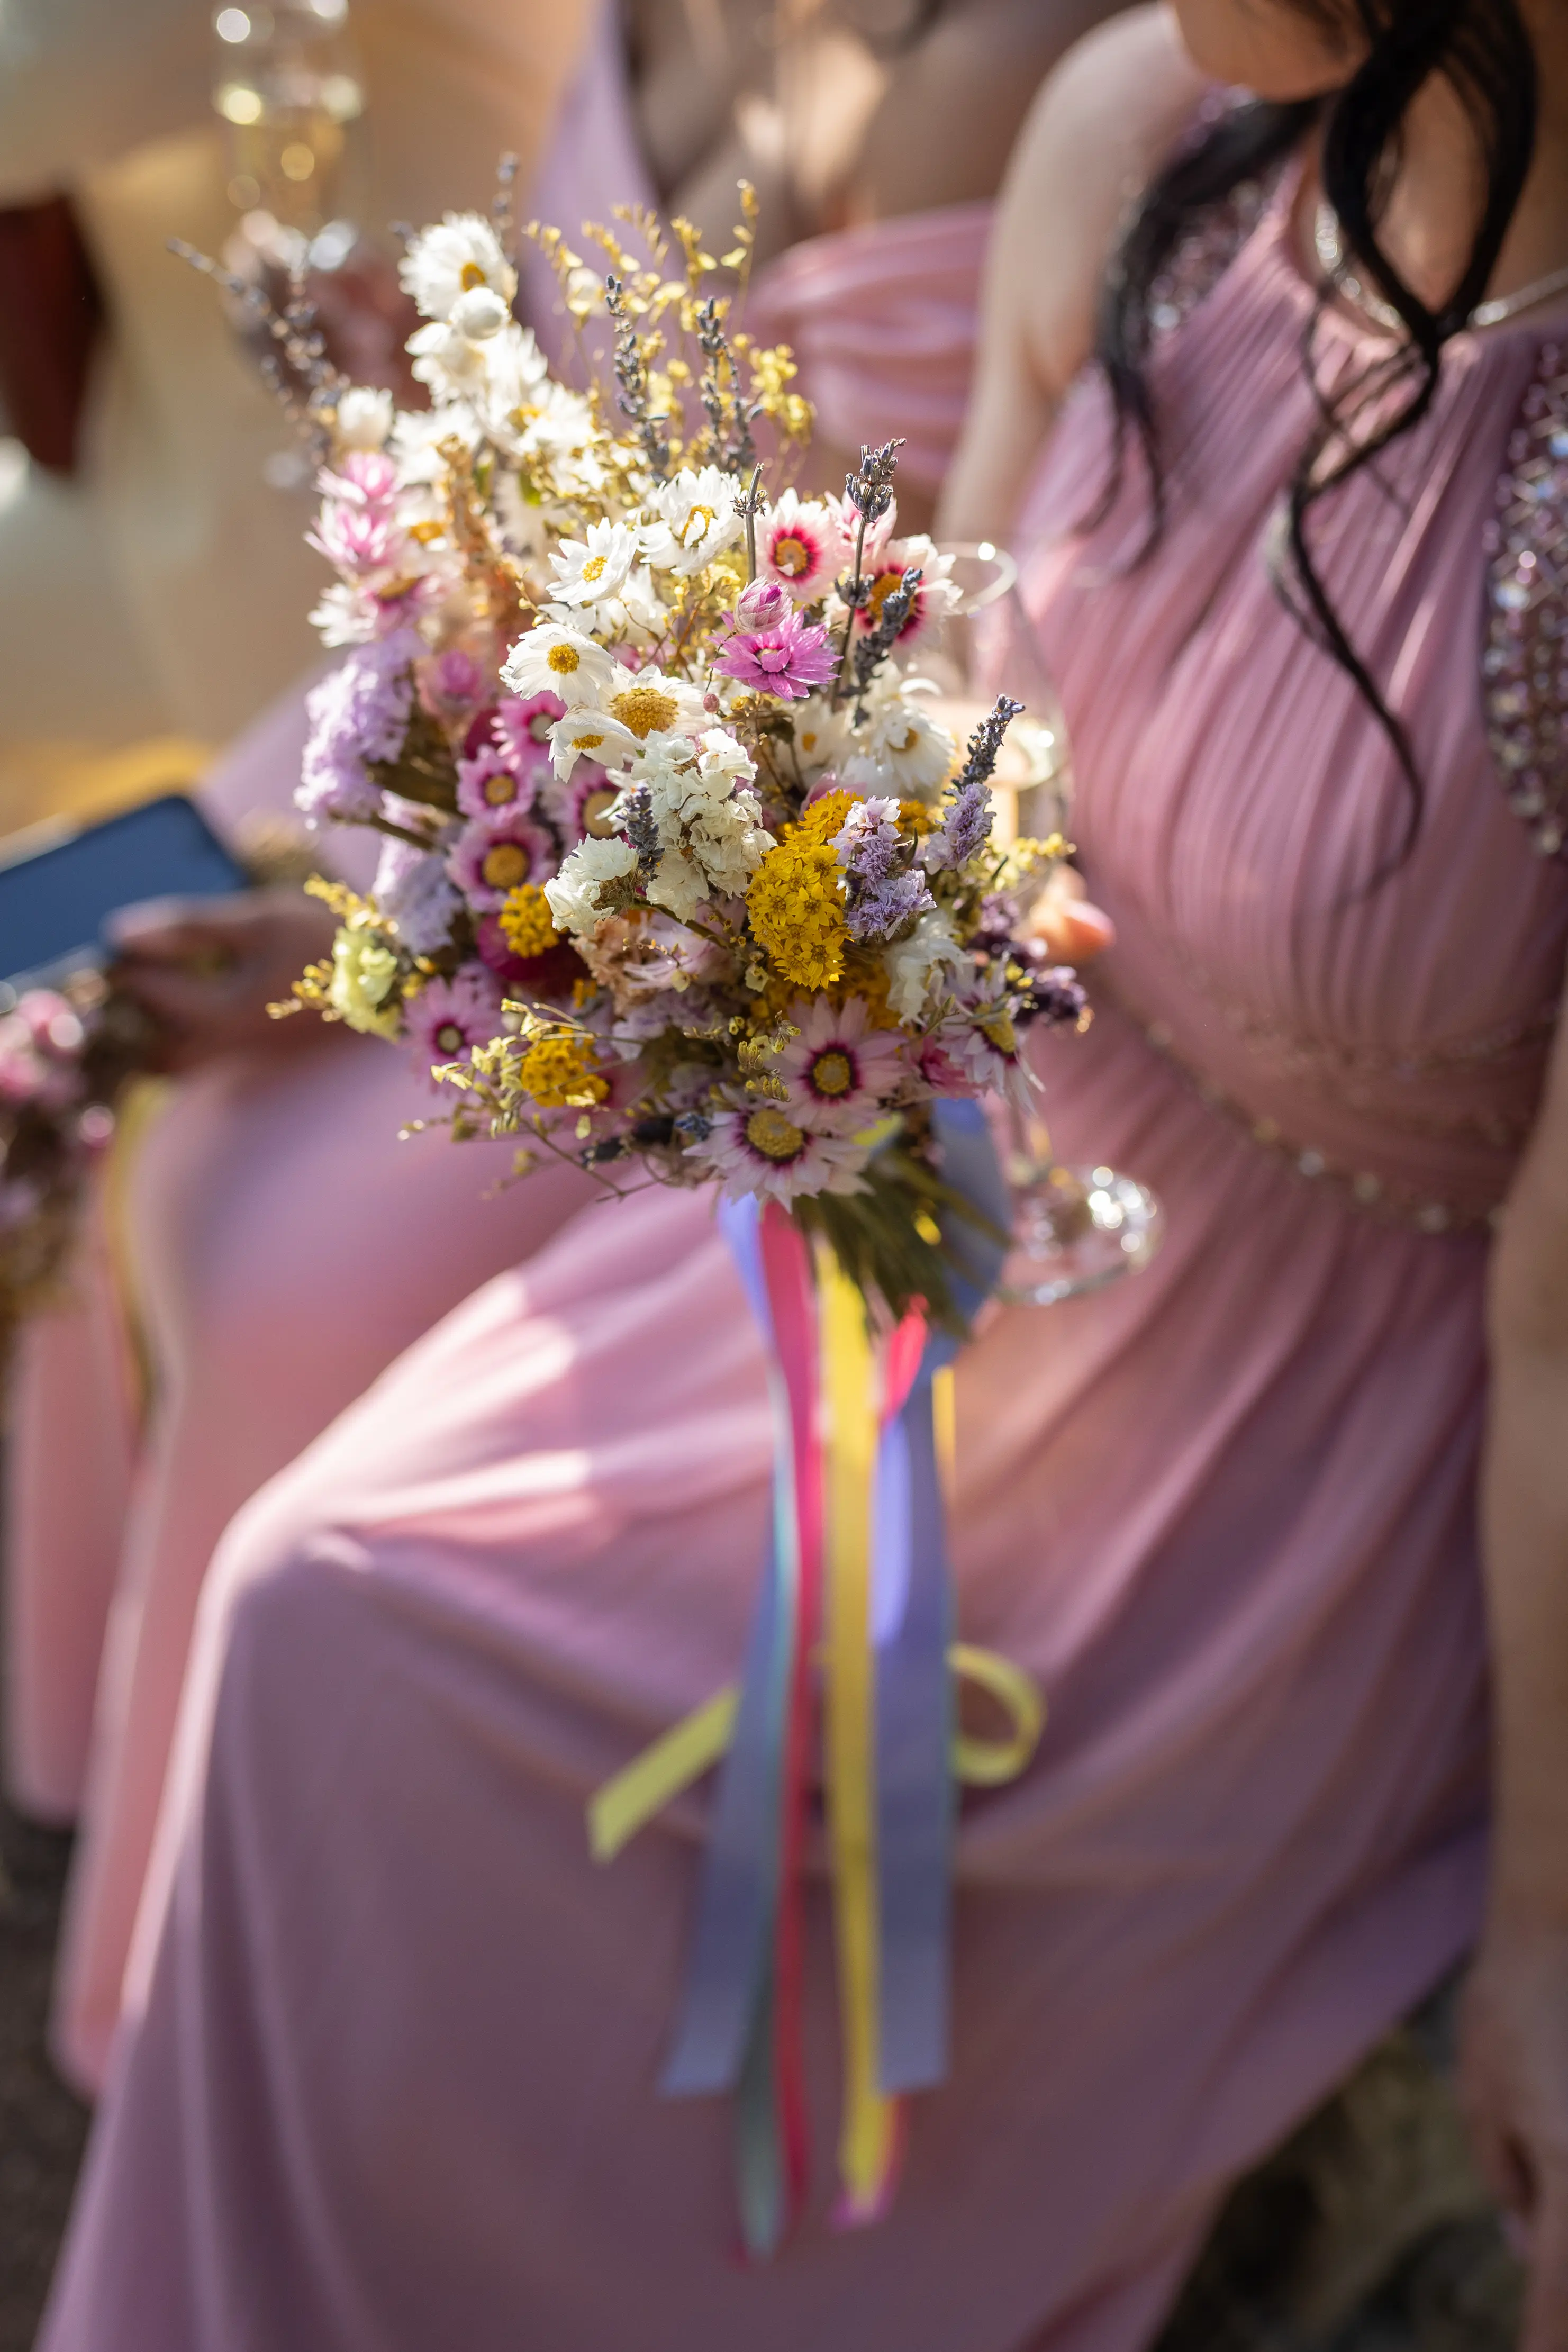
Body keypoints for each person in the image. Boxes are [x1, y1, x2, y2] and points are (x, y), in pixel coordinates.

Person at [39, 0, 1568, 2345]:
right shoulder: (1155, 133)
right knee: (324, 1598)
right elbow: (920, 738)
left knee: (454, 1703)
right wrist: (449, 912)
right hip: (947, 1185)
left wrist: (1545, 1932)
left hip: (1298, 1443)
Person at [13, 0, 1130, 2103]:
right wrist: (434, 435)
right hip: (511, 723)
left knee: (270, 1260)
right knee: (112, 1003)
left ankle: (238, 2003)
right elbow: (555, 418)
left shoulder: (1011, 72)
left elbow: (925, 646)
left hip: (729, 871)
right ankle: (100, 1779)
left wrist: (453, 893)